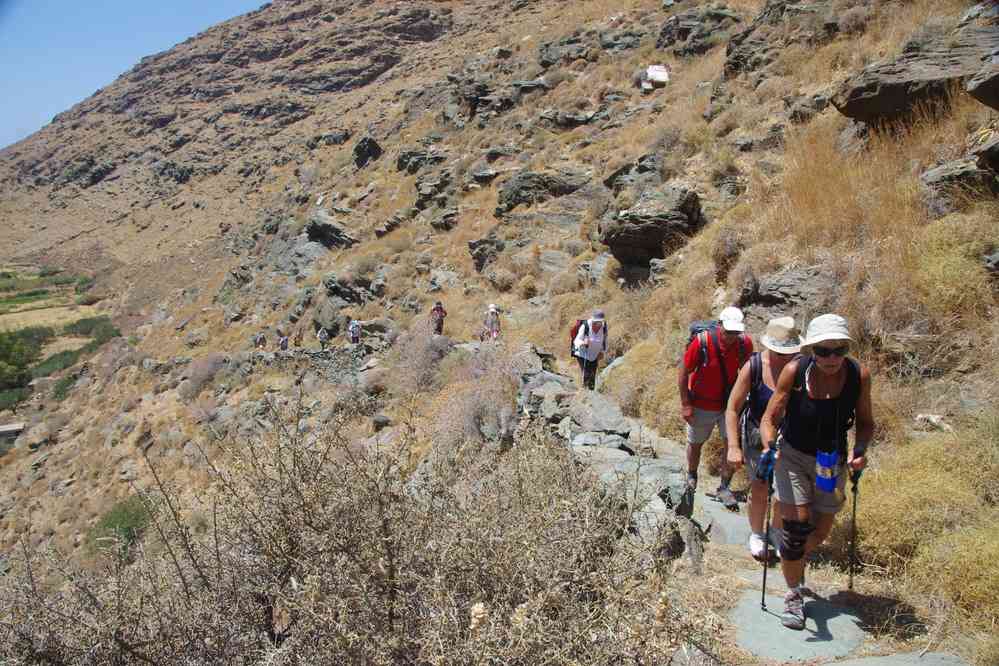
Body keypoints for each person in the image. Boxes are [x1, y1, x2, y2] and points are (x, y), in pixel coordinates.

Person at [760, 314, 873, 630]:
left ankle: (790, 559)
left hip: (830, 461)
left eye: (839, 350)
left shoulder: (858, 375)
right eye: (823, 351)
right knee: (797, 530)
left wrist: (859, 451)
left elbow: (866, 423)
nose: (832, 358)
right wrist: (770, 446)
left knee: (819, 533)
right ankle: (793, 594)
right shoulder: (795, 372)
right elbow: (770, 418)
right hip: (792, 456)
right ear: (811, 350)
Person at [725, 316, 801, 561]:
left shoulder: (803, 368)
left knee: (784, 491)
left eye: (788, 351)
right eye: (779, 351)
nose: (783, 356)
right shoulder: (754, 366)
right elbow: (733, 408)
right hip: (757, 434)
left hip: (791, 436)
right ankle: (757, 533)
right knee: (759, 486)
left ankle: (777, 531)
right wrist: (734, 446)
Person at [677, 306, 753, 508]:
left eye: (736, 332)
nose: (732, 337)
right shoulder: (702, 342)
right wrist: (686, 404)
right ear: (720, 326)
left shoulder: (744, 343)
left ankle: (724, 487)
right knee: (695, 443)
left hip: (730, 406)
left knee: (731, 446)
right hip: (701, 403)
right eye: (729, 332)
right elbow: (684, 372)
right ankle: (692, 475)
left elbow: (748, 373)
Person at [573, 310, 608, 391]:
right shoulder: (585, 326)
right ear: (592, 320)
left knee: (593, 375)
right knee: (586, 374)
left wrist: (602, 351)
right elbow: (576, 341)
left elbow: (605, 340)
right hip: (582, 353)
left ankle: (591, 394)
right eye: (596, 322)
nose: (598, 324)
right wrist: (583, 342)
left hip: (594, 355)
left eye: (600, 322)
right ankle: (583, 393)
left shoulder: (604, 327)